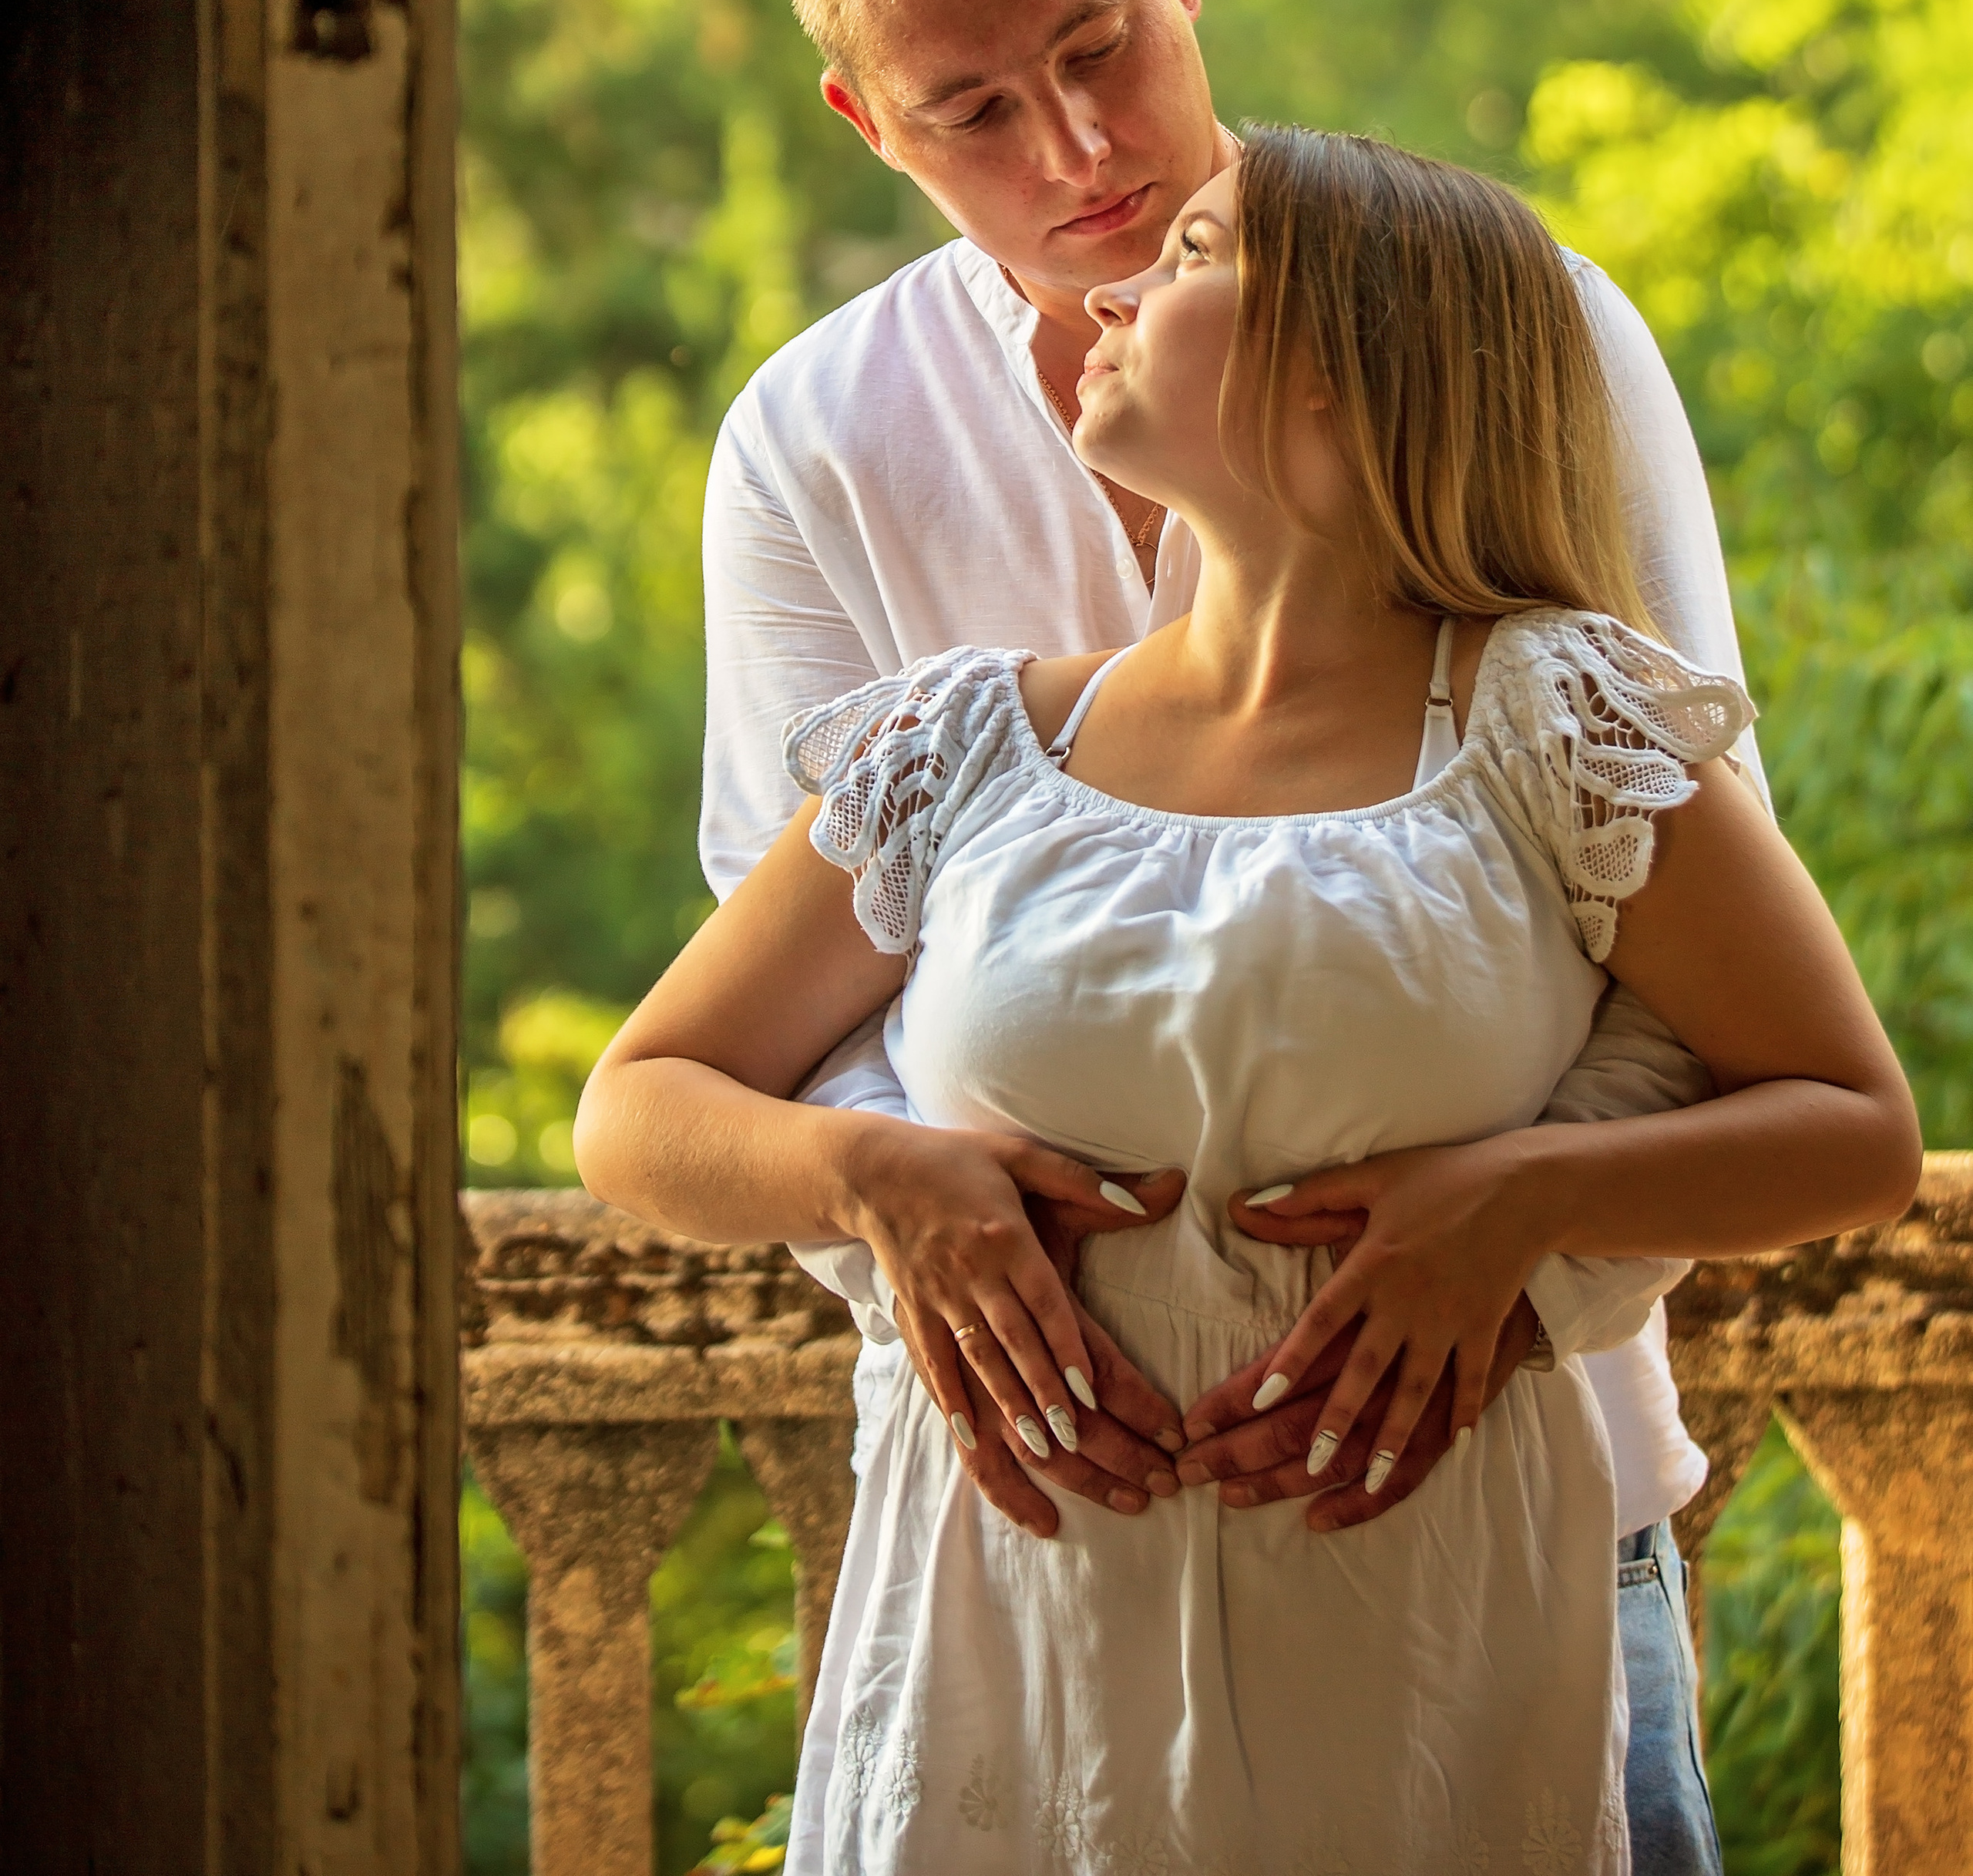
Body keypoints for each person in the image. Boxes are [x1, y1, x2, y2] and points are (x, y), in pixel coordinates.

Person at [576, 132, 1918, 1876]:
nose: (1117, 288)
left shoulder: (1552, 722)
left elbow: (1851, 1133)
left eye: (1195, 253)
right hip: (1015, 1629)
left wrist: (1525, 1199)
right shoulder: (965, 741)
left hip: (1418, 1633)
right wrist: (874, 1177)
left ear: (1335, 378)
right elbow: (640, 1106)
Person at [693, 0, 1756, 1864]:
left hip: (1494, 1481)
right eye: (975, 110)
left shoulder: (1500, 322)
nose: (1077, 151)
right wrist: (1008, 1289)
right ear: (866, 130)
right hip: (1031, 1539)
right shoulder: (815, 445)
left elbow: (1685, 910)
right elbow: (784, 979)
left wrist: (1511, 1259)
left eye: (1101, 47)